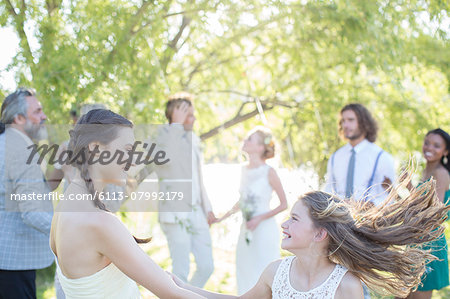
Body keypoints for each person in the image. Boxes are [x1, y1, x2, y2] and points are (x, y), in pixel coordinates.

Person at [171, 178, 450, 299]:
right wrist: (183, 288)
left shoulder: (346, 285)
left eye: (293, 218)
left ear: (319, 233)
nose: (283, 224)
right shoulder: (275, 273)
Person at [50, 109, 204, 298]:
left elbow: (172, 286)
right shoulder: (99, 222)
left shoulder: (61, 212)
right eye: (127, 150)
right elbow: (174, 294)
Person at [215, 127, 287, 294]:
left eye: (250, 139)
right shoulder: (243, 170)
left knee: (264, 271)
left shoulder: (269, 172)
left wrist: (259, 218)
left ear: (261, 147)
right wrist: (220, 218)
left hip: (264, 230)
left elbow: (284, 204)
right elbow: (241, 202)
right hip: (246, 229)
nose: (245, 141)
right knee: (244, 270)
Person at [155, 93, 216, 287]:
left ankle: (188, 295)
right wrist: (176, 125)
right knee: (180, 270)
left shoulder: (194, 140)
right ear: (173, 116)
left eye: (192, 114)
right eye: (187, 114)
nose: (193, 118)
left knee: (207, 266)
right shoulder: (162, 136)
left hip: (197, 210)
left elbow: (199, 177)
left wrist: (208, 208)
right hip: (175, 212)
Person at [0, 88, 55, 299]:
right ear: (19, 118)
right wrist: (69, 229)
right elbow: (32, 212)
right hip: (13, 262)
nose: (44, 116)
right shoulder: (20, 151)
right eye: (38, 111)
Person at [400, 128, 450, 299]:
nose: (429, 147)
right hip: (417, 238)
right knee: (403, 294)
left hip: (430, 242)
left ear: (446, 151)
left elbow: (433, 211)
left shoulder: (441, 173)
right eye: (427, 142)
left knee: (418, 295)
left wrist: (409, 186)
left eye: (437, 146)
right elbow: (417, 206)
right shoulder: (426, 172)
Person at [325, 103, 396, 205]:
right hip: (337, 217)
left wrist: (370, 205)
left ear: (363, 122)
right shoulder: (335, 157)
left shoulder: (381, 157)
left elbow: (389, 196)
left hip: (369, 218)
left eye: (351, 120)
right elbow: (328, 190)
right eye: (343, 121)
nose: (345, 125)